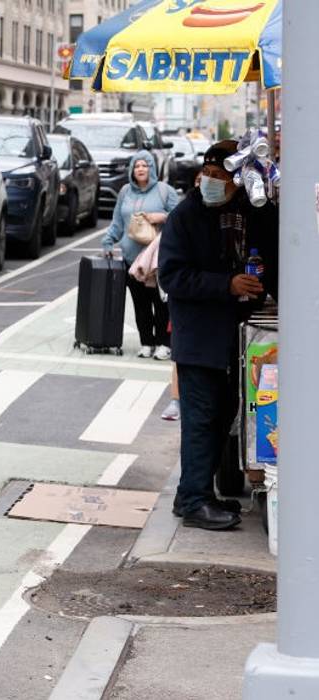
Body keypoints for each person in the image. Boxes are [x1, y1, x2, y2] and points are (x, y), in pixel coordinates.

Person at [159, 139, 279, 530]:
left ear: (237, 181)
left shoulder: (247, 211)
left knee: (223, 416)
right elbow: (172, 277)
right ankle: (194, 499)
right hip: (198, 339)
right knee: (201, 419)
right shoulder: (186, 216)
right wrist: (226, 285)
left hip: (234, 339)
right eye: (206, 174)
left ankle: (197, 494)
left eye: (219, 176)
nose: (210, 181)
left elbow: (271, 254)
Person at [102, 150, 179, 361]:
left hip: (158, 260)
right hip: (132, 260)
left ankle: (165, 343)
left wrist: (161, 216)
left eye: (145, 165)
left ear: (152, 168)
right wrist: (108, 241)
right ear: (132, 170)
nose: (141, 169)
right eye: (137, 166)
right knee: (140, 304)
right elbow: (118, 221)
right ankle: (147, 342)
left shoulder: (165, 191)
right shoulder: (125, 192)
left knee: (161, 304)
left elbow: (180, 218)